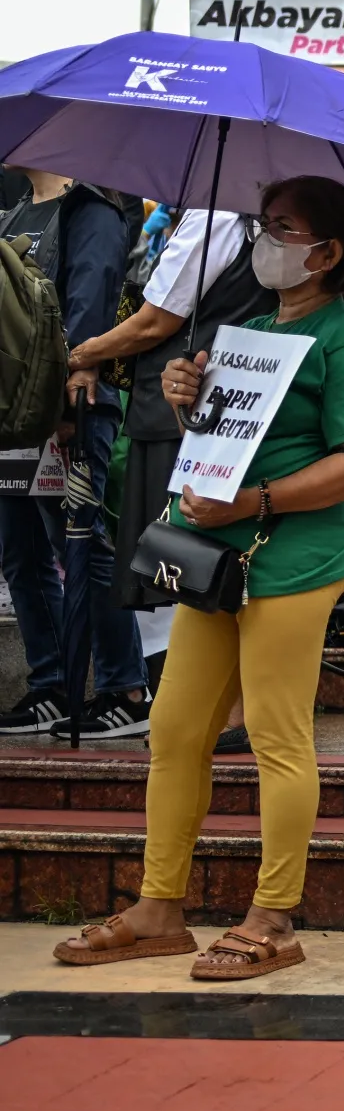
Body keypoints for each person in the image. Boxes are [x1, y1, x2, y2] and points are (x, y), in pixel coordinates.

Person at [54, 175, 344, 977]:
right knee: (174, 730)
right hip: (218, 559)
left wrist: (260, 495)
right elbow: (219, 438)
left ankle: (273, 915)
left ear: (327, 252)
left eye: (280, 228)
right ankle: (158, 906)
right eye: (261, 224)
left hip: (295, 560)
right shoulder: (250, 327)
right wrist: (182, 399)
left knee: (277, 734)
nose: (261, 241)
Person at [63, 207, 275, 753]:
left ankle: (230, 709)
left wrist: (81, 354)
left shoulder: (218, 215)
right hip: (227, 399)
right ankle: (222, 705)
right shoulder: (238, 216)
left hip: (195, 403)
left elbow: (158, 320)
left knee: (197, 556)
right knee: (197, 558)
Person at [0, 169, 148, 738]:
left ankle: (125, 689)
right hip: (14, 412)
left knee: (81, 544)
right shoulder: (16, 207)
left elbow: (93, 292)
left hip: (69, 404)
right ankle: (51, 687)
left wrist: (74, 390)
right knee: (21, 552)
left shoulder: (92, 207)